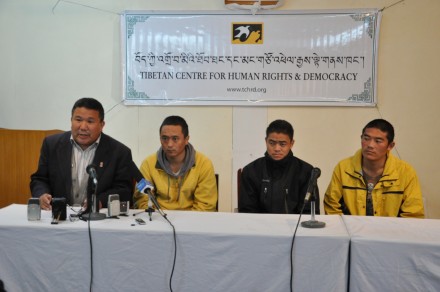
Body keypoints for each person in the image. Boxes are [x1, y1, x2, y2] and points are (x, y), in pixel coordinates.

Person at [30, 97, 133, 210]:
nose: (83, 127)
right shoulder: (51, 145)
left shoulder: (119, 152)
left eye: (90, 121)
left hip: (98, 219)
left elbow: (124, 190)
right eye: (78, 120)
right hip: (59, 216)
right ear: (71, 120)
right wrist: (42, 194)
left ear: (102, 125)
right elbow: (40, 179)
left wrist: (99, 202)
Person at [324, 119, 424, 218]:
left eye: (378, 141)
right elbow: (331, 206)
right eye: (366, 138)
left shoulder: (405, 172)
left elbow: (413, 214)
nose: (370, 145)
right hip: (351, 231)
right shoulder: (344, 168)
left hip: (392, 232)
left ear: (390, 146)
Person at [133, 116, 217, 211]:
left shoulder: (203, 164)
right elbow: (142, 201)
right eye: (164, 138)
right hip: (159, 219)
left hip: (192, 221)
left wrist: (185, 223)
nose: (169, 144)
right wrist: (158, 219)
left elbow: (205, 205)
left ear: (186, 139)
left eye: (175, 139)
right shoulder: (148, 164)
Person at [238, 119, 319, 214]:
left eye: (282, 144)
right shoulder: (251, 171)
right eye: (272, 143)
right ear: (266, 141)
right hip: (259, 226)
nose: (277, 149)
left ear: (291, 143)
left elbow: (308, 213)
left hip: (295, 227)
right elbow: (247, 211)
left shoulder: (306, 172)